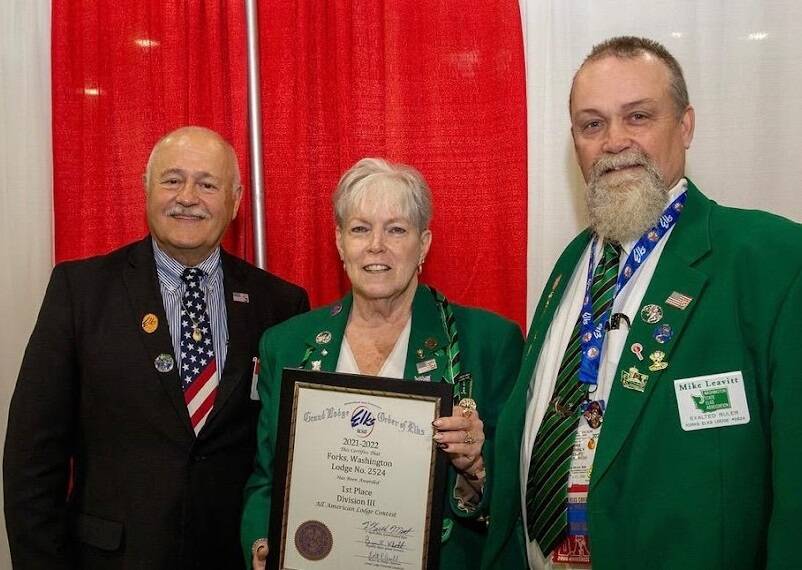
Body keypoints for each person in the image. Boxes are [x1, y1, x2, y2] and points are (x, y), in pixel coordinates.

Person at [483, 36, 802, 570]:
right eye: (592, 124)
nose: (614, 141)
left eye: (638, 117)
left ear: (686, 125)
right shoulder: (569, 265)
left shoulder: (771, 261)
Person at [3, 126, 310, 569]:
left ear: (236, 200)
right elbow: (32, 459)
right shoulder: (80, 291)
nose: (188, 196)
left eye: (208, 184)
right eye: (172, 180)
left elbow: (286, 454)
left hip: (232, 558)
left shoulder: (280, 304)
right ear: (146, 190)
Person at [240, 157, 523, 569]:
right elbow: (267, 478)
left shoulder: (489, 342)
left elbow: (517, 490)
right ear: (339, 242)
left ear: (423, 244)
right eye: (360, 229)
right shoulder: (286, 344)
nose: (376, 245)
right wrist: (263, 542)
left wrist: (475, 465)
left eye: (396, 229)